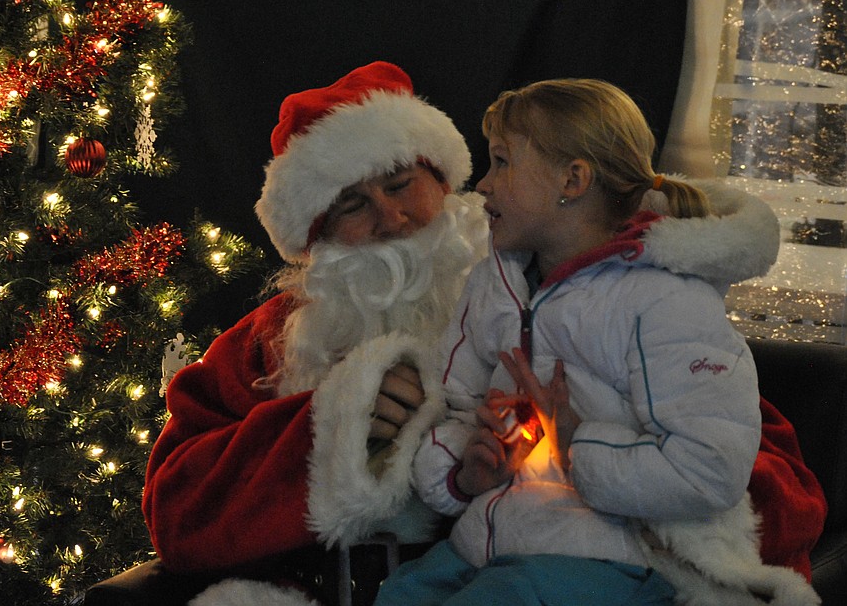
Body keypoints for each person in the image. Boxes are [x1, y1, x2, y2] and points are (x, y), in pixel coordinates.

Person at [375, 78, 822, 606]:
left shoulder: (664, 299)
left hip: (616, 560)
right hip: (487, 543)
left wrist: (573, 441)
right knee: (400, 594)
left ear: (573, 178)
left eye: (502, 161)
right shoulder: (492, 287)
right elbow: (458, 408)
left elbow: (708, 473)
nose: (483, 186)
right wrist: (466, 468)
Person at [142, 61, 489, 604]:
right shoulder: (268, 342)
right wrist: (329, 427)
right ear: (318, 238)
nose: (392, 219)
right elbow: (179, 513)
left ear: (444, 183)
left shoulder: (528, 292)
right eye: (353, 205)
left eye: (401, 186)